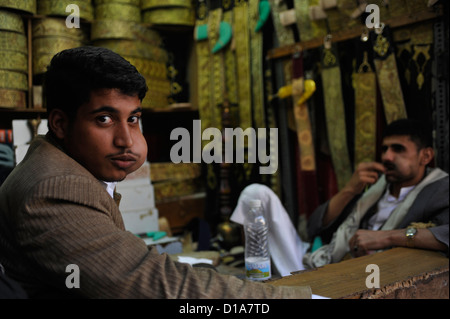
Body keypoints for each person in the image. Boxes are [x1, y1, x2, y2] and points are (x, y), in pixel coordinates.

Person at [0, 46, 311, 299]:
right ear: (60, 124)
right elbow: (154, 285)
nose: (125, 139)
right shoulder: (55, 187)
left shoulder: (59, 166)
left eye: (133, 119)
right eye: (105, 119)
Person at [231, 118, 448, 273]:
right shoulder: (377, 185)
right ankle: (260, 275)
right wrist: (350, 190)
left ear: (426, 156)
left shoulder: (440, 188)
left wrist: (387, 237)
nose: (387, 156)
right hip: (322, 260)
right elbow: (314, 227)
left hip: (365, 274)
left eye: (398, 149)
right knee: (255, 193)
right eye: (384, 149)